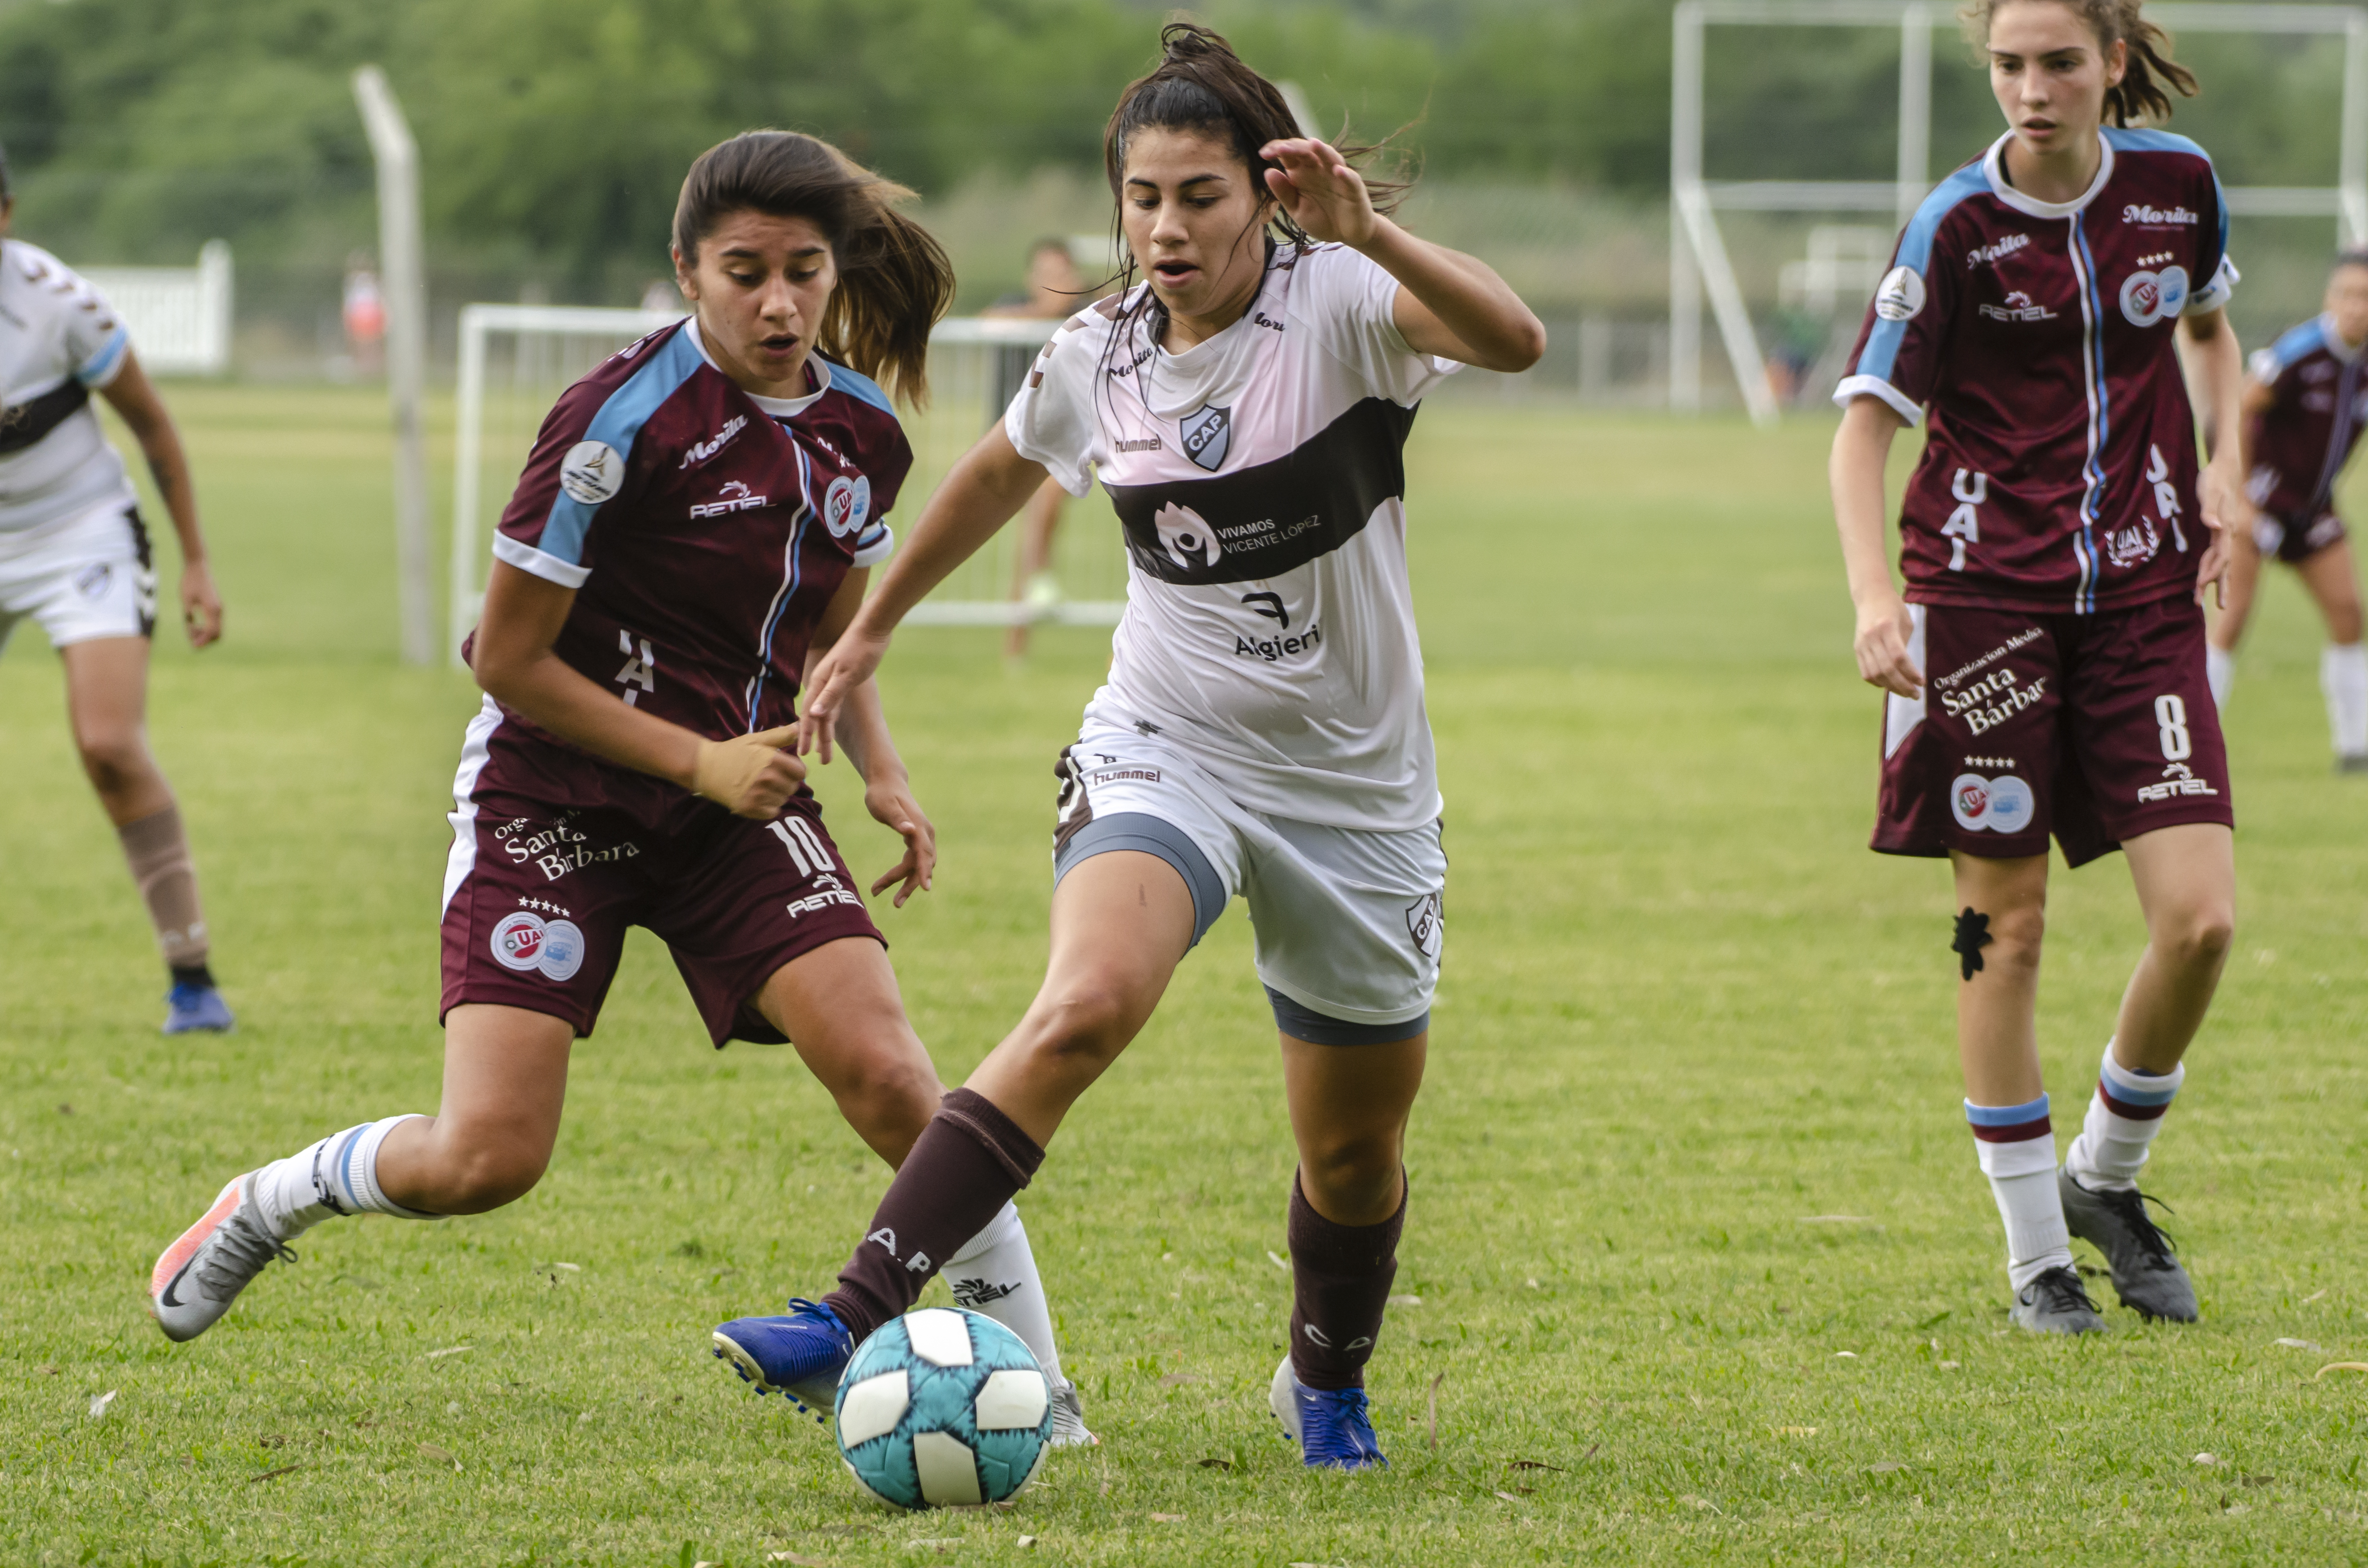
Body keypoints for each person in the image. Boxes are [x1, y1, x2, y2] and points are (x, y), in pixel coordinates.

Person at [146, 131, 1090, 1444]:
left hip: (735, 809)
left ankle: (1042, 1398)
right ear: (686, 271)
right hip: (553, 801)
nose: (776, 301)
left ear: (835, 273)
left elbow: (828, 629)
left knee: (893, 1080)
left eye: (803, 272)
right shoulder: (614, 422)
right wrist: (699, 755)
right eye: (744, 271)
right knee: (488, 1158)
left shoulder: (864, 433)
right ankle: (273, 1197)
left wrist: (882, 769)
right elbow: (510, 659)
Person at [709, 25, 1544, 1470]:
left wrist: (1377, 241)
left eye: (1200, 196)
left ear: (1265, 198)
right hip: (1170, 745)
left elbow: (1513, 338)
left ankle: (1324, 1380)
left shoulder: (1344, 303)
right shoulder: (1100, 354)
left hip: (1356, 794)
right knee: (1087, 1000)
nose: (1166, 227)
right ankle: (857, 1307)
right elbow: (991, 471)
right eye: (1143, 198)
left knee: (1353, 1154)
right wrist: (872, 629)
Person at [1829, 0, 2243, 1334]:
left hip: (2144, 598)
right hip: (1981, 607)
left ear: (2114, 62)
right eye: (2009, 65)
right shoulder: (1954, 225)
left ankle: (2105, 1181)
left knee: (2201, 918)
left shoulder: (2179, 190)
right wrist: (1874, 599)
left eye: (2059, 62)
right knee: (1996, 931)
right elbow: (1860, 434)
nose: (2032, 90)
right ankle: (2034, 1263)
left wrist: (2223, 465)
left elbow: (2211, 334)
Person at [0, 140, 233, 1033]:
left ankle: (193, 978)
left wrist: (198, 561)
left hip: (80, 533)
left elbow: (152, 426)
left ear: (8, 216)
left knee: (107, 746)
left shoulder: (57, 305)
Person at [2206, 253, 2368, 769]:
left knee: (2347, 614)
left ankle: (2354, 749)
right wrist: (2242, 499)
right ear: (2329, 298)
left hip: (2312, 509)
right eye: (2346, 294)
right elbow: (2237, 409)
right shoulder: (2299, 352)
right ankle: (2196, 748)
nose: (2355, 307)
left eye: (2365, 297)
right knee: (2229, 621)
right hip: (2260, 502)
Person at [984, 238, 1092, 657]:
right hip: (1011, 439)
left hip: (1072, 439)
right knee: (1033, 529)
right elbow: (989, 322)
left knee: (1044, 507)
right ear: (1031, 277)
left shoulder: (1087, 316)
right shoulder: (1014, 306)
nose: (1051, 284)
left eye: (1060, 275)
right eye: (1044, 275)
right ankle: (1023, 623)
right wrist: (1042, 315)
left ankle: (1034, 596)